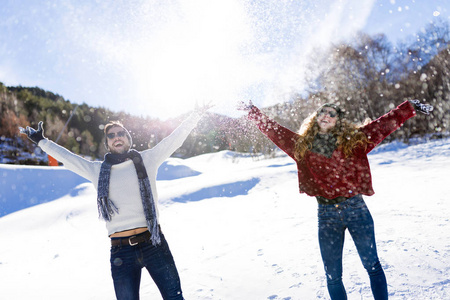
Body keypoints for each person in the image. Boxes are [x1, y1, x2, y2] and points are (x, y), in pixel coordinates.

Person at [238, 99, 433, 300]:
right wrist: (253, 112)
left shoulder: (355, 140)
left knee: (372, 266)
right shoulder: (302, 146)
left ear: (338, 121)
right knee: (333, 276)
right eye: (323, 112)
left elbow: (382, 126)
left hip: (357, 210)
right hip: (327, 215)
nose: (326, 115)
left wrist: (408, 108)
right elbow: (276, 132)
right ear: (316, 118)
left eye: (332, 114)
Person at [20, 104, 211, 300]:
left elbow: (174, 140)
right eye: (111, 135)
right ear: (107, 143)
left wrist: (196, 114)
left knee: (174, 297)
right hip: (122, 253)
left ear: (128, 138)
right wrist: (42, 142)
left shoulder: (148, 159)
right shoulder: (97, 171)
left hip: (154, 244)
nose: (116, 137)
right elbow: (68, 159)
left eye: (121, 133)